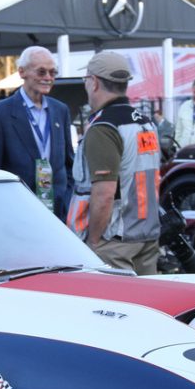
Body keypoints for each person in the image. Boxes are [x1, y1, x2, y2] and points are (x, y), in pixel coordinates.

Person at [66, 51, 161, 275]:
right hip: (146, 234)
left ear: (94, 82)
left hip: (113, 239)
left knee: (115, 307)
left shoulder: (104, 128)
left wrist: (94, 242)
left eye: (86, 79)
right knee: (145, 306)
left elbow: (104, 194)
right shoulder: (145, 122)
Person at [0, 46, 75, 218]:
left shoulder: (60, 110)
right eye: (41, 72)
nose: (48, 78)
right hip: (17, 212)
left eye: (52, 73)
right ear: (22, 72)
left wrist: (65, 198)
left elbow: (68, 163)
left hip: (57, 212)